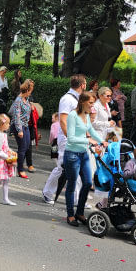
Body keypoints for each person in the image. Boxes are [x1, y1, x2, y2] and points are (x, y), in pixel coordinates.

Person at [42, 75, 86, 204]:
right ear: (82, 85)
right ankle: (48, 192)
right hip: (67, 139)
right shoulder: (67, 99)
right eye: (85, 84)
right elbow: (63, 120)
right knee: (62, 167)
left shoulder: (77, 99)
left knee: (78, 168)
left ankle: (77, 199)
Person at [63, 92, 101, 226]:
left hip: (83, 154)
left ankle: (79, 213)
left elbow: (91, 130)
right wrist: (88, 140)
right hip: (72, 155)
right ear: (82, 102)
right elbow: (71, 138)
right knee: (72, 185)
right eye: (90, 103)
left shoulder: (86, 115)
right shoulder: (73, 115)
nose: (92, 106)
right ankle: (70, 215)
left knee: (87, 183)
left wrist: (102, 141)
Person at [9, 79, 33, 179]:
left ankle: (17, 163)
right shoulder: (18, 100)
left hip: (26, 125)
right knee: (22, 147)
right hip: (19, 126)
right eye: (31, 90)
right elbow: (16, 116)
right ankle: (20, 169)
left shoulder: (26, 99)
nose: (31, 93)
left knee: (27, 146)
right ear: (27, 90)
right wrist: (19, 130)